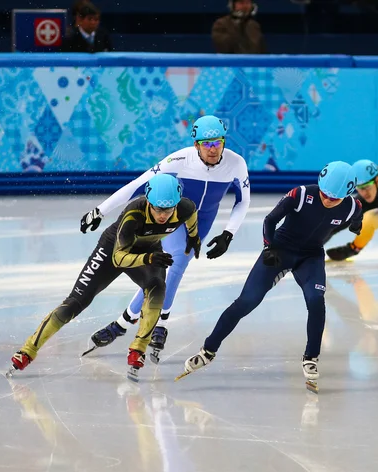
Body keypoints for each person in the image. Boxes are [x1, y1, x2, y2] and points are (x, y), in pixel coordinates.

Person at [177, 161, 363, 392]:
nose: (327, 199)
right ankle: (208, 350)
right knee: (247, 302)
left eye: (333, 199)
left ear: (345, 195)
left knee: (316, 301)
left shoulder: (353, 206)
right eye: (324, 193)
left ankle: (311, 357)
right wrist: (269, 247)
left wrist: (357, 226)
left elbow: (357, 216)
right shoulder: (302, 194)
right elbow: (270, 220)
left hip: (311, 257)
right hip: (280, 250)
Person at [80, 115, 251, 364]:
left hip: (201, 222)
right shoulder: (179, 159)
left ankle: (123, 322)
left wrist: (228, 233)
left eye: (218, 143)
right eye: (207, 144)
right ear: (196, 145)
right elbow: (138, 184)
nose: (214, 149)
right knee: (176, 262)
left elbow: (243, 200)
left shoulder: (236, 163)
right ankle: (160, 323)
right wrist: (100, 210)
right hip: (173, 215)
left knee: (173, 268)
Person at [7, 174, 199, 382]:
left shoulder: (184, 207)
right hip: (113, 251)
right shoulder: (133, 215)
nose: (163, 215)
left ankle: (137, 350)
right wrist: (149, 257)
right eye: (158, 209)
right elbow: (119, 258)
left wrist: (194, 236)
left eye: (169, 210)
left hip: (148, 251)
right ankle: (27, 350)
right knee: (76, 302)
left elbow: (191, 217)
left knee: (157, 288)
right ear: (148, 202)